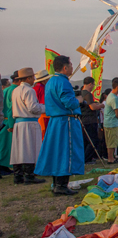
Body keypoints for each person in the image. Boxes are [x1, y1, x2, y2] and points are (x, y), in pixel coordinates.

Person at [35, 55, 84, 195]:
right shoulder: (63, 82)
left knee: (56, 152)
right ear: (65, 67)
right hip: (65, 121)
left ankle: (57, 184)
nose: (72, 67)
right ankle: (62, 185)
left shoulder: (50, 82)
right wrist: (79, 100)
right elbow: (69, 102)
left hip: (55, 121)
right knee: (66, 152)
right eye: (70, 65)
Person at [10, 67, 46, 184]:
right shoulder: (29, 90)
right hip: (29, 122)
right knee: (29, 148)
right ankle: (29, 175)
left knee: (19, 150)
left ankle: (18, 175)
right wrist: (44, 107)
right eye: (33, 77)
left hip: (18, 122)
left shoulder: (15, 90)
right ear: (29, 78)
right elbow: (32, 107)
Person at [79, 77, 103, 163]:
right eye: (93, 84)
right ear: (90, 84)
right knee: (93, 140)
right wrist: (101, 105)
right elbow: (92, 107)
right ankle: (87, 159)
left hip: (83, 119)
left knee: (85, 141)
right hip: (90, 120)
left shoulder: (80, 93)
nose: (93, 86)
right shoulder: (88, 94)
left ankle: (83, 158)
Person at [0, 71, 19, 172]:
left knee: (4, 146)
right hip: (11, 121)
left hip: (5, 120)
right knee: (8, 147)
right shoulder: (15, 90)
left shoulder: (6, 90)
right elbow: (11, 108)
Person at [103, 78, 118, 164]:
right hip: (112, 122)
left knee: (110, 141)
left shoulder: (110, 96)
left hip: (108, 122)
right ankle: (110, 159)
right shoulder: (114, 98)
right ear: (117, 87)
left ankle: (111, 157)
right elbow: (117, 112)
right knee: (112, 141)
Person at [33, 69, 50, 138]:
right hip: (44, 117)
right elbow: (44, 103)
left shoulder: (34, 88)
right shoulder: (42, 89)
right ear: (44, 80)